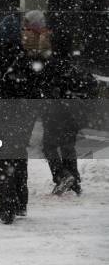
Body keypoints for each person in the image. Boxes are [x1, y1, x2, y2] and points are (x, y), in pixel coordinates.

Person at [0, 11, 53, 224]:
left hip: (0, 112)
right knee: (18, 154)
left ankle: (6, 206)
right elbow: (37, 85)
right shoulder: (26, 56)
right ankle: (20, 202)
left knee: (1, 157)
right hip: (24, 114)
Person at [41, 28, 98, 196]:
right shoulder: (76, 64)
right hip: (74, 111)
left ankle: (61, 175)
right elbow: (91, 84)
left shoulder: (51, 64)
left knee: (49, 145)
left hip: (55, 110)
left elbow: (44, 87)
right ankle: (74, 179)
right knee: (67, 145)